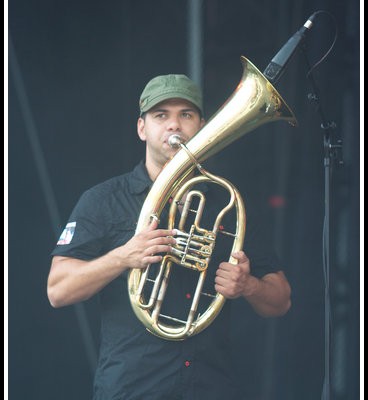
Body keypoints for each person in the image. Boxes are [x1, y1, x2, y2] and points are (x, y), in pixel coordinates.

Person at [47, 73, 291, 400]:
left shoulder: (227, 203)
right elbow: (58, 290)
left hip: (212, 387)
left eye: (186, 115)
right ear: (141, 128)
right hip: (133, 388)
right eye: (161, 115)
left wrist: (248, 286)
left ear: (202, 125)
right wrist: (124, 256)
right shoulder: (102, 200)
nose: (174, 125)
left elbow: (281, 301)